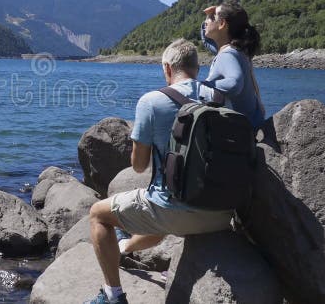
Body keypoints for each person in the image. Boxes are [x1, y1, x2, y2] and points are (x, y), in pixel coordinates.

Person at [85, 39, 233, 304]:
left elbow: (139, 166)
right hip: (220, 214)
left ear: (167, 67)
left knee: (99, 215)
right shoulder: (222, 98)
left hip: (173, 213)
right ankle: (124, 248)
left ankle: (112, 296)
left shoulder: (152, 101)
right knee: (164, 205)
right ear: (197, 69)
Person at [200, 0, 266, 128]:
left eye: (212, 17)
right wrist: (208, 16)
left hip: (241, 133)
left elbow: (234, 84)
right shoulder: (236, 50)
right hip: (252, 126)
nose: (206, 22)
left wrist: (200, 86)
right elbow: (206, 41)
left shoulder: (227, 55)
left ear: (222, 23)